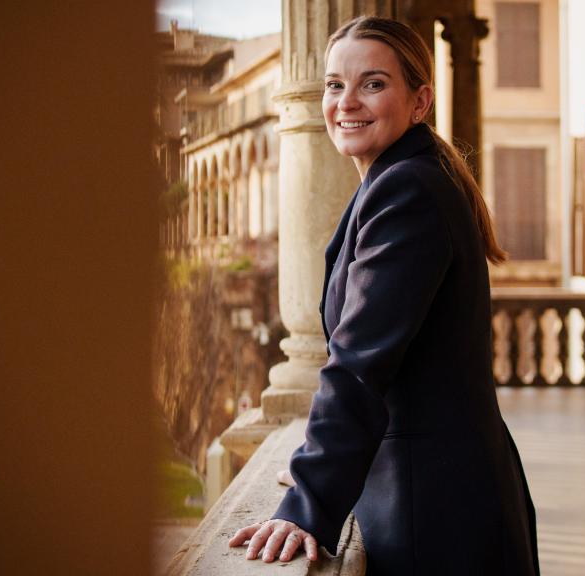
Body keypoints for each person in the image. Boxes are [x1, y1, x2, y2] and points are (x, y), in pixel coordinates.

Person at [227, 15, 539, 575]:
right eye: (333, 84)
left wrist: (310, 500)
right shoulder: (402, 177)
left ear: (419, 102)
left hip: (434, 513)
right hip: (442, 491)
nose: (346, 101)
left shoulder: (407, 190)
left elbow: (360, 361)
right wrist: (314, 467)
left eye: (372, 83)